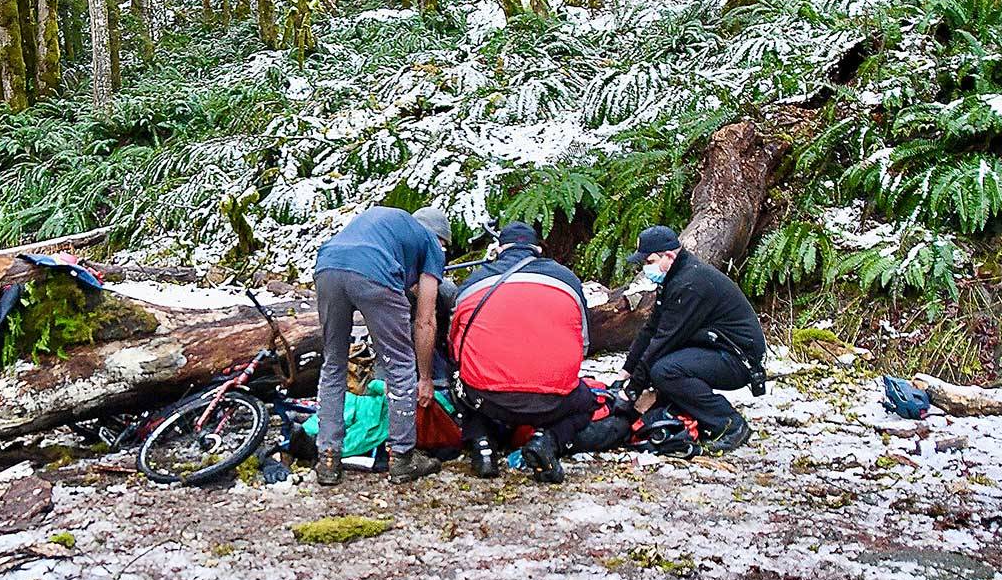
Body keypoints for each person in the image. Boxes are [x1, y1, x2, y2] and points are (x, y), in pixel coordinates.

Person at [312, 205, 452, 485]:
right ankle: (402, 458)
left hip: (327, 266)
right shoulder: (431, 245)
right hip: (373, 271)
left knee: (334, 364)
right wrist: (425, 377)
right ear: (441, 240)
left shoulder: (392, 229)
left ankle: (328, 458)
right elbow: (425, 321)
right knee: (400, 365)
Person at [448, 222, 595, 483]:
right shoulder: (567, 280)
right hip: (553, 402)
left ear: (500, 248)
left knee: (459, 381)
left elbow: (456, 349)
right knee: (585, 401)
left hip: (488, 400)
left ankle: (482, 445)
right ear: (538, 248)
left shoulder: (474, 282)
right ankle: (547, 441)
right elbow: (583, 343)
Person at [621, 225, 764, 453]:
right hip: (715, 347)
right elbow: (651, 330)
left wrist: (633, 389)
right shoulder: (675, 277)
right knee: (660, 366)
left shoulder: (690, 283)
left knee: (665, 371)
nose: (646, 268)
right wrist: (626, 372)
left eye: (650, 262)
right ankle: (687, 414)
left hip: (740, 359)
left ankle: (729, 424)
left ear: (669, 255)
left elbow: (664, 340)